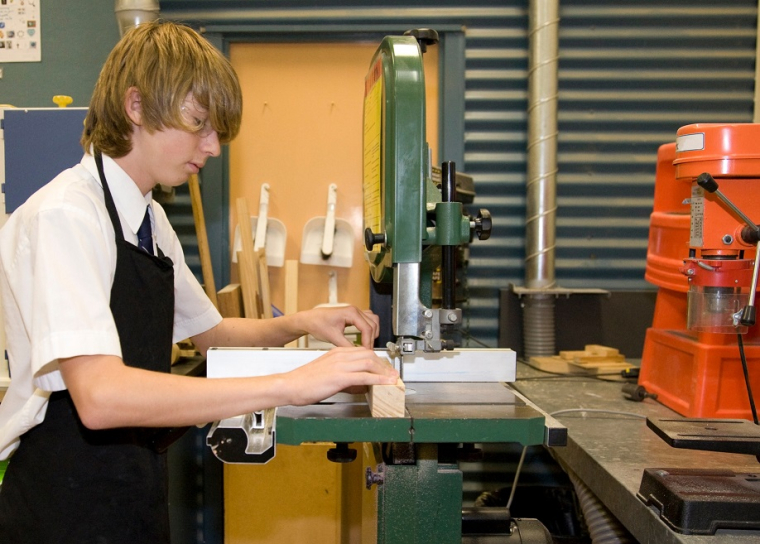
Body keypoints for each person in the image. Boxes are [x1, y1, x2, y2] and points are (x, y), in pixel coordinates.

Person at [0, 20, 398, 543]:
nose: (211, 147)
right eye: (198, 123)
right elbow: (99, 397)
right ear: (136, 106)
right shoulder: (65, 216)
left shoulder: (148, 217)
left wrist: (303, 323)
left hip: (131, 485)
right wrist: (290, 385)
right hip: (62, 503)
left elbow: (211, 333)